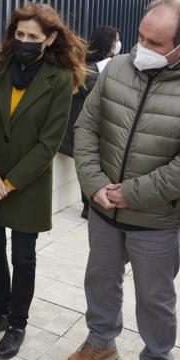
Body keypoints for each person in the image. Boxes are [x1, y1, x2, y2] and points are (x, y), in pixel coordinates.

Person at [69, 0, 180, 360]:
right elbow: (87, 128)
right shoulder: (117, 68)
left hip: (156, 218)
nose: (143, 49)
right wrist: (93, 184)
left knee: (155, 299)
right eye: (141, 37)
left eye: (155, 43)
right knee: (100, 281)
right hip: (105, 209)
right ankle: (101, 342)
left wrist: (132, 194)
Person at [0, 2, 87, 359]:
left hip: (26, 184)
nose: (24, 41)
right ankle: (0, 309)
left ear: (49, 39)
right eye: (19, 34)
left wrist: (10, 182)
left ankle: (17, 323)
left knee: (24, 257)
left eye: (33, 36)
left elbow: (49, 142)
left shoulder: (61, 78)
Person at [59, 26, 121, 219]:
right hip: (83, 129)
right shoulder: (89, 69)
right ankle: (90, 204)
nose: (119, 44)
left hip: (97, 129)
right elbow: (99, 98)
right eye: (116, 40)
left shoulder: (109, 65)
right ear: (108, 43)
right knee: (90, 164)